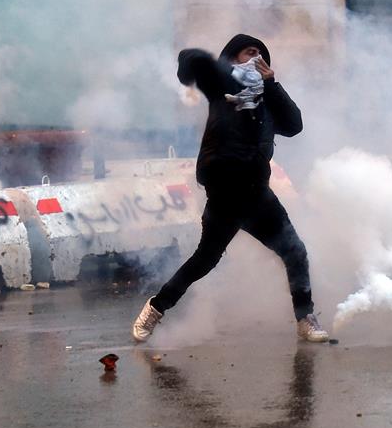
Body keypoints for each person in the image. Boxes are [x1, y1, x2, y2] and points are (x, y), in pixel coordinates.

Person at [132, 34, 329, 343]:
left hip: (257, 195)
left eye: (261, 55)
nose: (256, 58)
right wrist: (215, 67)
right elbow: (190, 61)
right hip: (224, 194)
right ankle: (155, 308)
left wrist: (272, 84)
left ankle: (305, 318)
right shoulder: (222, 86)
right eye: (249, 52)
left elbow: (294, 125)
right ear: (233, 58)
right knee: (205, 260)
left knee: (295, 251)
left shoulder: (267, 98)